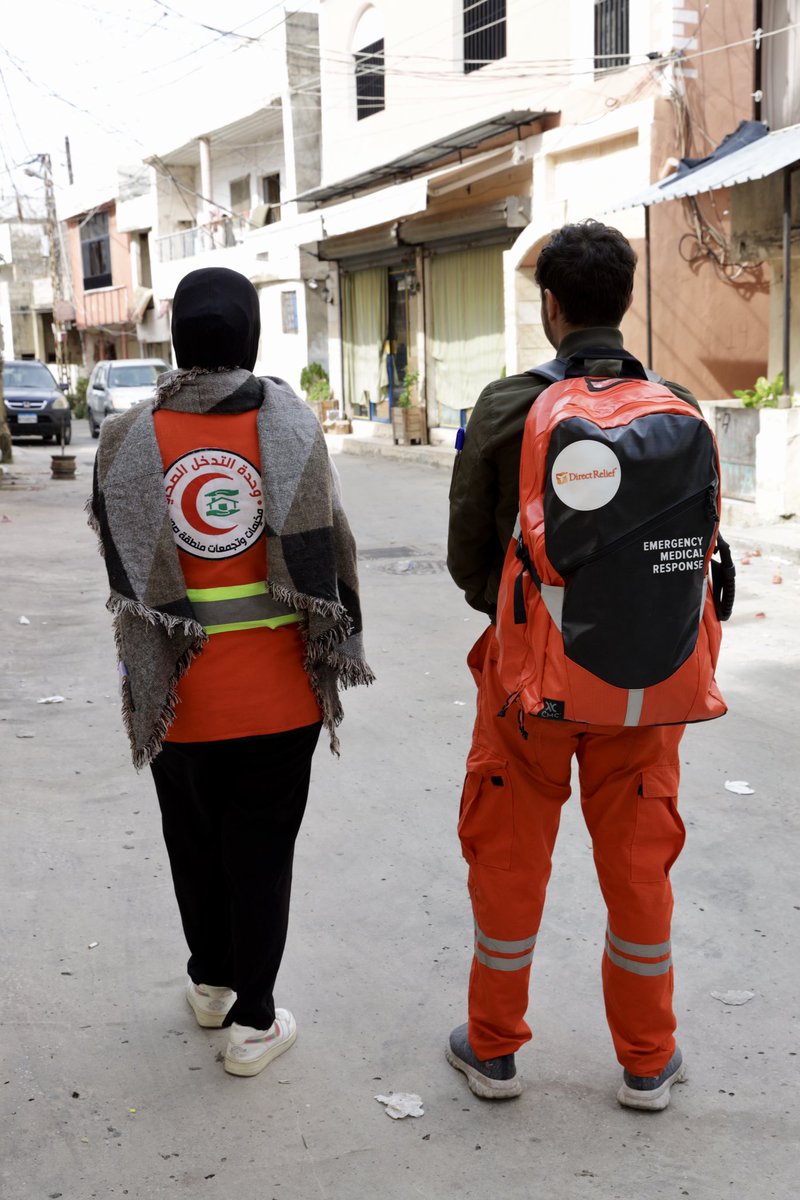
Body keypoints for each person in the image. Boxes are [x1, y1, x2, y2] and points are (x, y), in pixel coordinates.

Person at [89, 267, 373, 1078]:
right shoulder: (292, 426)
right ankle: (254, 1020)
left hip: (175, 693)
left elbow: (122, 569)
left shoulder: (124, 440)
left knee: (194, 840)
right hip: (280, 694)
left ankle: (211, 983)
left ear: (179, 337)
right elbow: (331, 552)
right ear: (248, 334)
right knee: (260, 852)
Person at [446, 221, 700, 1110]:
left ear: (549, 307)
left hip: (530, 688)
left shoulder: (510, 406)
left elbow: (468, 557)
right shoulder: (676, 408)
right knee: (638, 864)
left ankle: (493, 1050)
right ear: (622, 303)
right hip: (647, 682)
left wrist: (538, 619)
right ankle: (646, 1061)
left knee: (510, 855)